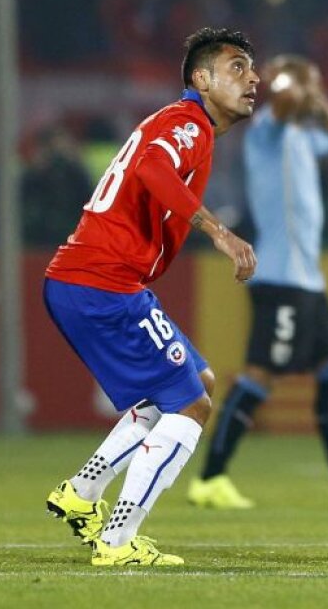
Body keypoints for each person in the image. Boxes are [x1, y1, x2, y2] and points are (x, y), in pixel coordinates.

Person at [43, 28, 259, 566]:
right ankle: (117, 540)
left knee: (195, 381)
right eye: (237, 67)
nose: (253, 78)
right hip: (103, 283)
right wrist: (217, 230)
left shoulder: (181, 123)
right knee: (191, 402)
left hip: (91, 280)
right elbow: (151, 170)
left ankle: (82, 491)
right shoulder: (188, 123)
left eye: (252, 69)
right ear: (201, 79)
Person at [186, 55, 328, 512]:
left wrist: (318, 96)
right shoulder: (266, 129)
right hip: (279, 279)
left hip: (309, 282)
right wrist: (298, 84)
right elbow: (282, 100)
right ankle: (211, 477)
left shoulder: (303, 135)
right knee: (260, 375)